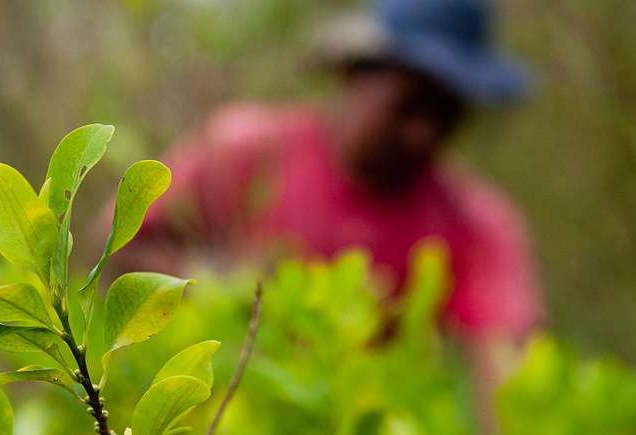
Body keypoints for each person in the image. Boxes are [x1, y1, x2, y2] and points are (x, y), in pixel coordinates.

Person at [111, 0, 542, 432]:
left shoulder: (476, 224)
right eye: (408, 106)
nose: (424, 133)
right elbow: (117, 243)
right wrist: (219, 288)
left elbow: (507, 376)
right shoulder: (245, 152)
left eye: (447, 114)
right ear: (357, 73)